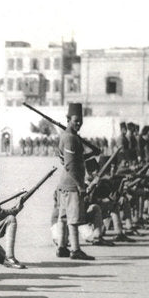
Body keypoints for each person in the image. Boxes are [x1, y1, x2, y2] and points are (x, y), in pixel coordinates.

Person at [55, 103, 95, 261]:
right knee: (73, 218)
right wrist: (80, 185)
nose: (78, 123)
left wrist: (90, 154)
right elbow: (70, 165)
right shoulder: (71, 138)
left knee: (64, 217)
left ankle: (61, 247)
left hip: (64, 183)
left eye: (80, 121)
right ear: (68, 119)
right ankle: (75, 249)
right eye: (76, 120)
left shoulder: (66, 136)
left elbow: (71, 159)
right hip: (72, 183)